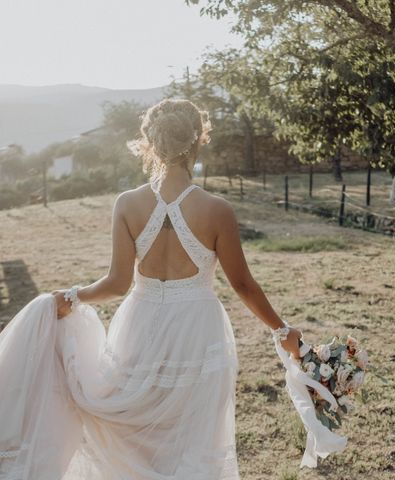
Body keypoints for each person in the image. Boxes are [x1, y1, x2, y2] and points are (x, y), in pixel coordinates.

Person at [0, 98, 302, 479]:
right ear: (198, 140)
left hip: (140, 324)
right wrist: (283, 330)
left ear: (150, 143)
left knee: (137, 433)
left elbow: (116, 283)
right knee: (193, 438)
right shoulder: (216, 209)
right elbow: (242, 284)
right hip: (196, 329)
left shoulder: (128, 204)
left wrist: (72, 296)